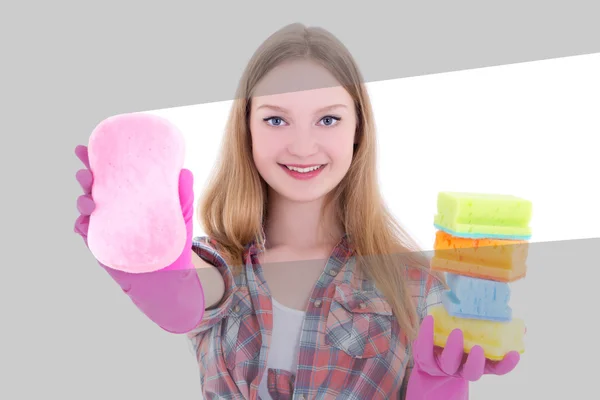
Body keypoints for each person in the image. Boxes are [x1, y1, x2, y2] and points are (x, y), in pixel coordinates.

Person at [74, 23, 520, 399]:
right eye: (275, 119)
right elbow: (192, 298)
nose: (303, 146)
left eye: (328, 119)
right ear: (245, 128)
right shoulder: (218, 265)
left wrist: (437, 387)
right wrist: (151, 257)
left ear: (357, 131)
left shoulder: (416, 287)